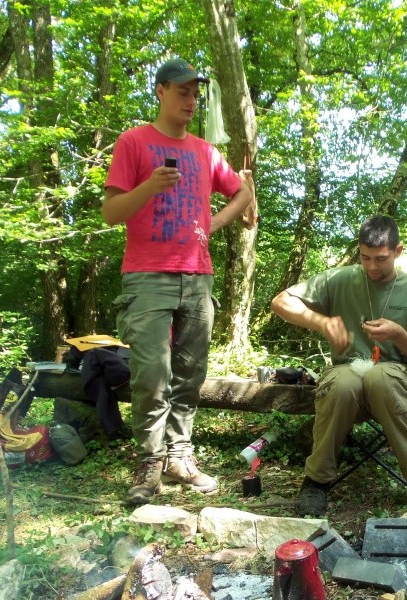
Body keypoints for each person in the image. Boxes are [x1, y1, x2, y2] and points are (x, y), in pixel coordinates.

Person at [103, 57, 253, 505]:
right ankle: (149, 462)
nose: (190, 100)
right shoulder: (133, 143)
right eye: (182, 92)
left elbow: (242, 192)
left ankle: (180, 455)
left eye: (195, 93)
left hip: (197, 275)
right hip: (147, 275)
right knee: (151, 373)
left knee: (191, 373)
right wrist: (149, 187)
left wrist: (212, 223)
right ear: (161, 91)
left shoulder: (205, 151)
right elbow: (112, 213)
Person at [270, 215, 407, 518]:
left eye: (381, 259)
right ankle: (316, 480)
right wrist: (321, 321)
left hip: (395, 381)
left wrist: (398, 335)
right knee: (342, 382)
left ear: (398, 251)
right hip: (347, 379)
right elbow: (280, 302)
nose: (372, 266)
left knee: (381, 376)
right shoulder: (340, 279)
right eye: (365, 258)